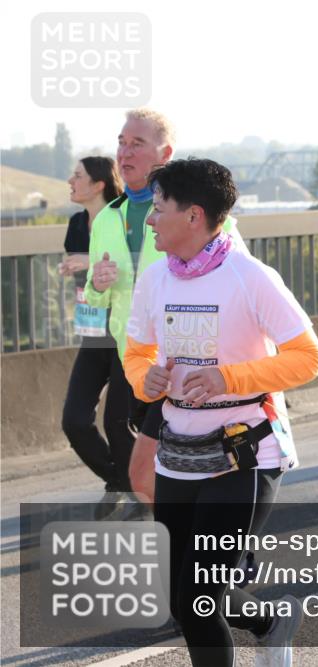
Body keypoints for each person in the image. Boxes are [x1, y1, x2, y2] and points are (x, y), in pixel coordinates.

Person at [124, 159, 318, 667]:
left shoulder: (250, 277)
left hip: (244, 453)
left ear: (193, 215)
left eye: (158, 208)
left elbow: (308, 357)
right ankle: (271, 621)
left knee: (198, 597)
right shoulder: (154, 278)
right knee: (183, 599)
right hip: (179, 453)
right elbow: (137, 353)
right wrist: (144, 378)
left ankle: (266, 624)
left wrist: (227, 378)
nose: (150, 220)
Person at [84, 107, 244, 505]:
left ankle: (217, 533)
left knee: (156, 471)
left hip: (188, 365)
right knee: (154, 472)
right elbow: (95, 294)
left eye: (137, 143)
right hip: (136, 360)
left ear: (165, 153)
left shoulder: (203, 216)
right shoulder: (106, 218)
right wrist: (97, 285)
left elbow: (241, 283)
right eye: (121, 142)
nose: (125, 152)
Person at [59, 157, 130, 518]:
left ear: (99, 183)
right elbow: (84, 280)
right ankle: (119, 480)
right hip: (92, 331)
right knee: (74, 420)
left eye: (78, 175)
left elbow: (137, 264)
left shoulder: (125, 216)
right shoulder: (76, 223)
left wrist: (88, 263)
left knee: (118, 423)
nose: (70, 180)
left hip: (125, 333)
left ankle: (139, 490)